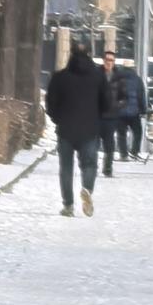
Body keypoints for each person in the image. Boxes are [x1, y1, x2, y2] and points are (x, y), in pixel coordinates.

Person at [45, 40, 106, 217]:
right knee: (90, 165)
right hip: (89, 129)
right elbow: (106, 103)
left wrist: (58, 119)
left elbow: (51, 103)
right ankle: (87, 189)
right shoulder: (98, 77)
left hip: (66, 129)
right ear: (90, 53)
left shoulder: (60, 77)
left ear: (70, 54)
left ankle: (68, 205)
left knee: (66, 168)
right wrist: (98, 119)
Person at [115, 63, 148, 160]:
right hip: (134, 112)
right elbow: (141, 96)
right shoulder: (137, 80)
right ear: (133, 68)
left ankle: (123, 154)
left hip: (120, 112)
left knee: (121, 134)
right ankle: (134, 151)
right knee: (137, 132)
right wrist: (143, 110)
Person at [99, 50, 124, 177]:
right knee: (92, 143)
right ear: (103, 61)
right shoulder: (97, 74)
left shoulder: (118, 77)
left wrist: (118, 105)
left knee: (109, 144)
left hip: (111, 116)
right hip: (97, 115)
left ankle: (107, 169)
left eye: (112, 60)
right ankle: (89, 167)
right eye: (107, 60)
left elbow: (124, 96)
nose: (109, 63)